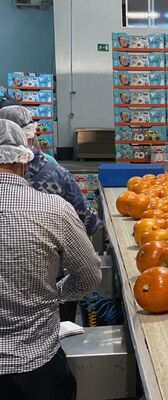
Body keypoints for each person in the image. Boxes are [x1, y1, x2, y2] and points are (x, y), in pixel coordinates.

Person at [0, 119, 101, 400]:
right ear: (23, 161)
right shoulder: (53, 209)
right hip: (36, 368)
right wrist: (55, 293)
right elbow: (90, 277)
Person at [0, 106, 102, 322]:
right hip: (50, 292)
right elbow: (90, 223)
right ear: (33, 134)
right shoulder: (56, 174)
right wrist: (55, 294)